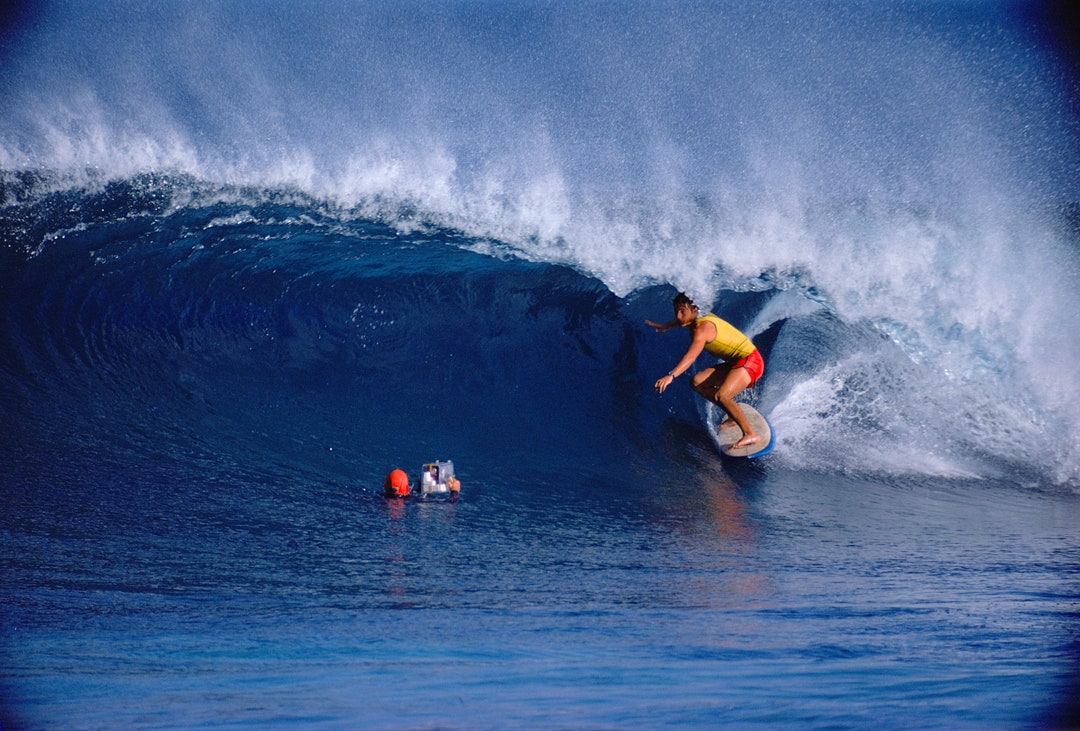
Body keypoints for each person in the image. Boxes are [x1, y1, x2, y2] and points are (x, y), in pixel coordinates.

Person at [647, 293, 765, 449]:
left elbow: (691, 357)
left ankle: (750, 434)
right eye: (676, 311)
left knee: (722, 395)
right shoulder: (699, 317)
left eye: (682, 311)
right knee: (697, 382)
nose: (679, 316)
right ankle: (732, 415)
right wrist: (666, 326)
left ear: (695, 310)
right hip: (737, 362)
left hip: (751, 361)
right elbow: (682, 320)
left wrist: (671, 376)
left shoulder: (702, 329)